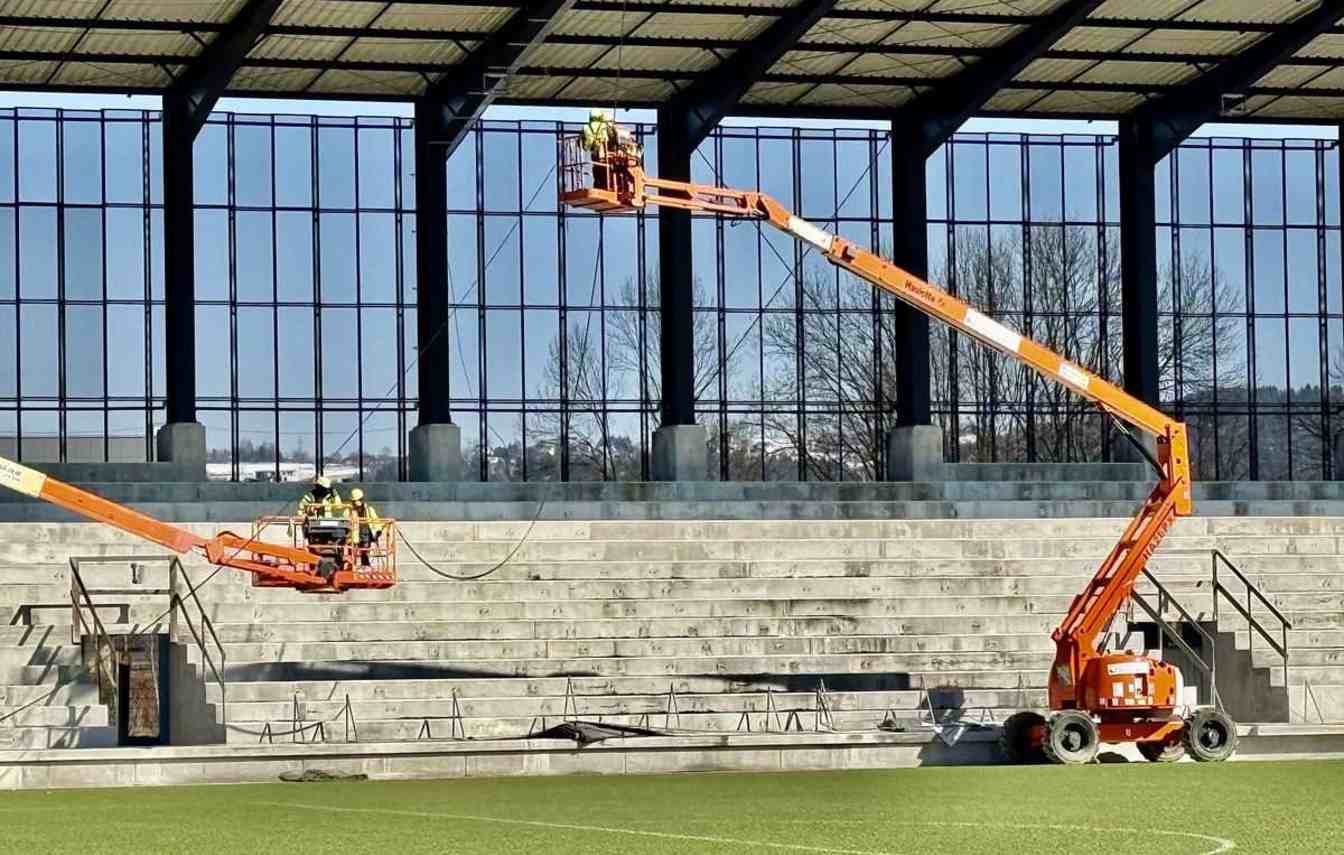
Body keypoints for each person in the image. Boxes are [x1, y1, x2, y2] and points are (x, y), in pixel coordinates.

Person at [347, 488, 383, 567]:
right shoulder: (349, 511)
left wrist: (378, 531)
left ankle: (365, 566)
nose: (356, 504)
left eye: (358, 501)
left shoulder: (369, 510)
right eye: (355, 501)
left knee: (365, 551)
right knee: (353, 553)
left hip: (366, 533)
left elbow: (376, 521)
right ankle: (353, 568)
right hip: (354, 534)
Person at [581, 108, 615, 189]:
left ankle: (597, 186)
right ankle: (606, 186)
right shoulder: (604, 126)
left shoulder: (586, 127)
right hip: (604, 152)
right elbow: (612, 137)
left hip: (594, 152)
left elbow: (583, 143)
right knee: (604, 169)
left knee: (596, 169)